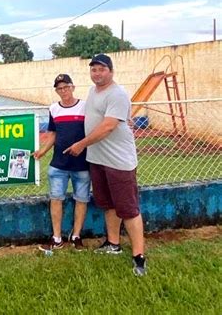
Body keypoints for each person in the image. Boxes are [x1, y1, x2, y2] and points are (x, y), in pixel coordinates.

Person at [64, 54, 147, 276]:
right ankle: (113, 244)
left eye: (101, 69)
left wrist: (81, 144)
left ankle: (139, 257)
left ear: (111, 71)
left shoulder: (117, 94)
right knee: (108, 205)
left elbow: (108, 126)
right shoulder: (92, 91)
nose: (97, 73)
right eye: (93, 69)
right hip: (98, 159)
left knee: (128, 209)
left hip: (118, 161)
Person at [34, 74, 90, 252]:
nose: (63, 91)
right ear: (56, 91)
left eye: (66, 87)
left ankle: (76, 237)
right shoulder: (53, 109)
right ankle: (57, 238)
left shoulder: (85, 107)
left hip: (82, 164)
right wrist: (43, 151)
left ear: (73, 87)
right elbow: (53, 134)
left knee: (81, 200)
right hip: (58, 164)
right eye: (59, 88)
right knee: (56, 199)